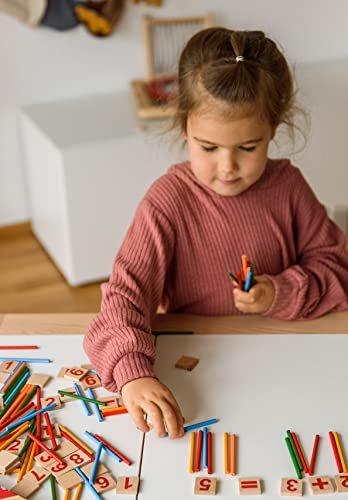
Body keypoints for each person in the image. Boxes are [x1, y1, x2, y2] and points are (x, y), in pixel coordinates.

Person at [84, 28, 348, 440]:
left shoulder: (289, 187)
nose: (227, 167)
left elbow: (336, 268)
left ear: (273, 130)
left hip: (285, 356)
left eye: (248, 147)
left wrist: (279, 293)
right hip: (198, 366)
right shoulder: (166, 202)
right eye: (208, 148)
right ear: (184, 129)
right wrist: (133, 373)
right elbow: (124, 298)